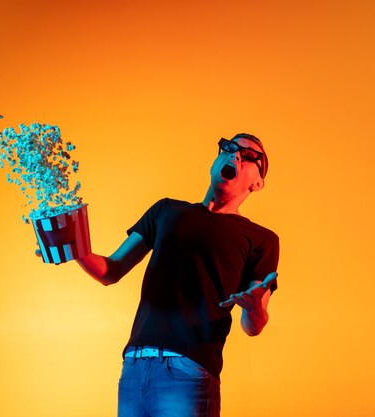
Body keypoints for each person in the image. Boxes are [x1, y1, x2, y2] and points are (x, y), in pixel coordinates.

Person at [75, 133, 279, 417]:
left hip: (190, 371)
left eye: (249, 156)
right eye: (230, 149)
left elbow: (253, 326)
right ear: (216, 160)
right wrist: (75, 249)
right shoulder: (166, 210)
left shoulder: (260, 239)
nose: (236, 156)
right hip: (135, 367)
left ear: (258, 183)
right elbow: (111, 270)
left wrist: (254, 306)